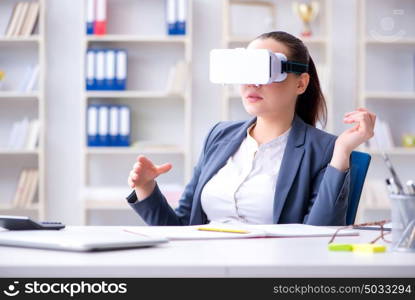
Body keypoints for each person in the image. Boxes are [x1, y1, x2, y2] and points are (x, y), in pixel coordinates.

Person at [125, 31, 376, 226]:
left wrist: (341, 154)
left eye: (267, 70)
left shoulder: (324, 149)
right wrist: (146, 188)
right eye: (248, 69)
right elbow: (181, 229)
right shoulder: (218, 136)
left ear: (301, 83)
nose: (253, 82)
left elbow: (320, 237)